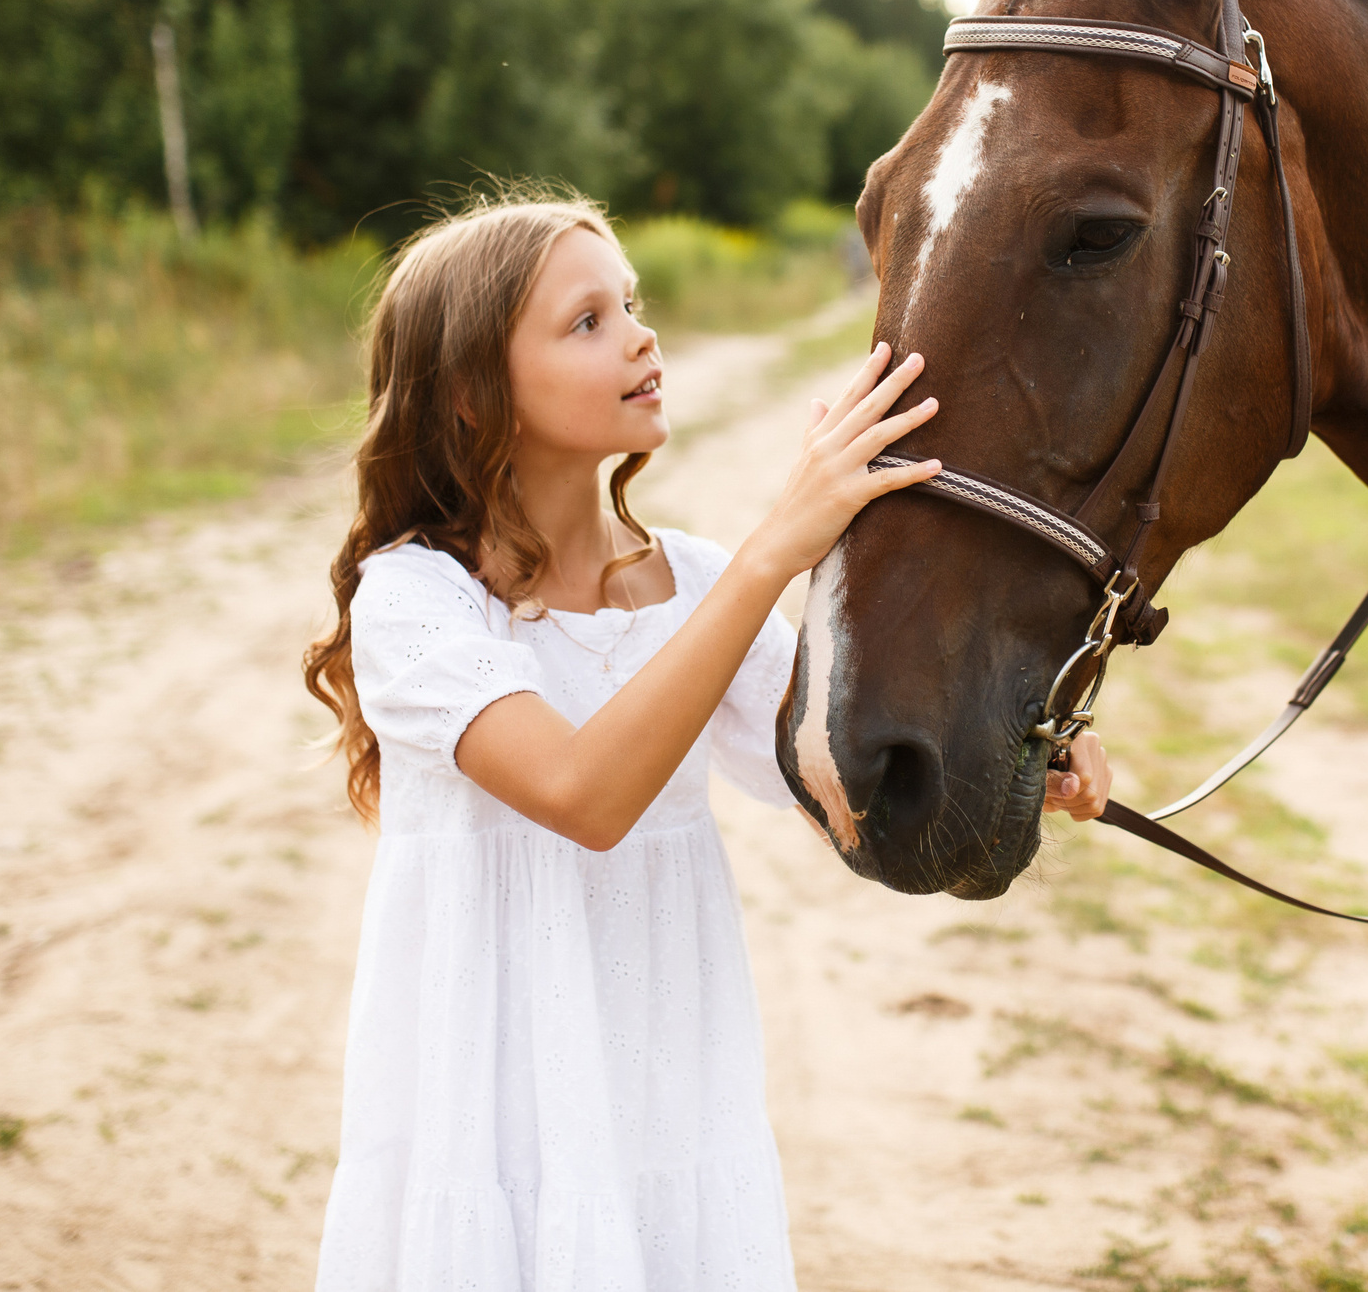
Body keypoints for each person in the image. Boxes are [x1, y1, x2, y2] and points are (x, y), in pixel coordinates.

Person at [300, 192, 1112, 1289]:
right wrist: (771, 553)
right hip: (489, 1113)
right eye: (587, 321)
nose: (640, 334)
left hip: (658, 1109)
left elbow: (845, 784)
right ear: (471, 396)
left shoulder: (687, 583)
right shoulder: (416, 602)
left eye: (629, 303)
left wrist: (1024, 757)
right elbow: (584, 795)